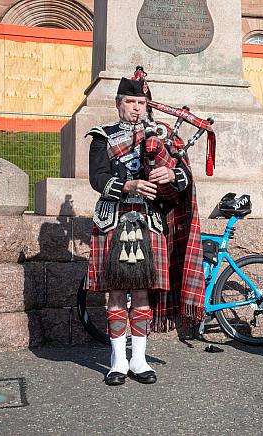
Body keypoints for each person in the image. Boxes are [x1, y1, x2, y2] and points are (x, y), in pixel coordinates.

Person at [85, 77, 206, 386]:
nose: (136, 108)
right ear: (118, 104)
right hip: (115, 218)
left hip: (149, 220)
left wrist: (171, 174)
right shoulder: (104, 137)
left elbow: (185, 177)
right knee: (115, 292)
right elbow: (97, 178)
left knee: (141, 292)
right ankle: (117, 360)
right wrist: (129, 184)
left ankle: (138, 360)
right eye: (129, 102)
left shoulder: (161, 136)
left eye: (140, 103)